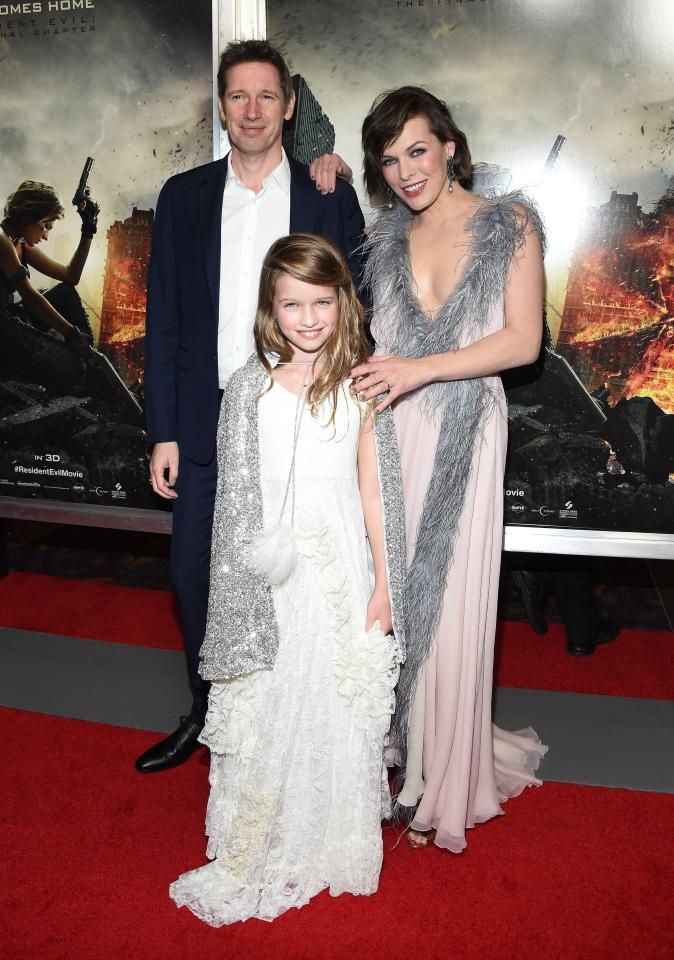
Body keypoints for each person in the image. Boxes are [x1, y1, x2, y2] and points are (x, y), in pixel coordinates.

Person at [139, 40, 367, 773]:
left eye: (267, 96)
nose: (253, 111)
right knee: (194, 576)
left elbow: (358, 308)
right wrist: (165, 430)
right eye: (238, 96)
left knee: (297, 577)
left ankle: (298, 726)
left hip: (302, 421)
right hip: (207, 421)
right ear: (222, 106)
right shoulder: (184, 196)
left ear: (289, 105)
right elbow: (166, 319)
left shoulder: (327, 193)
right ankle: (211, 718)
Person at [169, 234, 406, 924]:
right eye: (292, 303)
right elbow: (235, 499)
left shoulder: (363, 382)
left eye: (321, 302)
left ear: (343, 302)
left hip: (338, 564)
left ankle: (329, 834)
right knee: (268, 699)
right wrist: (238, 581)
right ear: (272, 309)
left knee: (335, 694)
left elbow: (374, 492)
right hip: (269, 575)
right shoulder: (248, 386)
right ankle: (260, 834)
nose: (307, 317)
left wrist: (385, 582)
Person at [352, 86, 548, 851]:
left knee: (456, 599)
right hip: (394, 432)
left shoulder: (510, 224)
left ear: (451, 146)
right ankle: (404, 748)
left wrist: (421, 370)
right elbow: (377, 351)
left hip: (466, 426)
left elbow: (522, 343)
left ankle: (448, 770)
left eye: (418, 150)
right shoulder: (386, 239)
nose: (405, 171)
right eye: (389, 159)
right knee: (393, 593)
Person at [0, 180, 98, 392]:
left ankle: (94, 369)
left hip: (10, 321)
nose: (45, 235)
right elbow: (30, 296)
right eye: (45, 226)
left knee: (65, 292)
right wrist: (72, 334)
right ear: (29, 217)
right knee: (71, 367)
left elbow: (70, 276)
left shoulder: (20, 244)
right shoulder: (1, 241)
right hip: (3, 333)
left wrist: (88, 230)